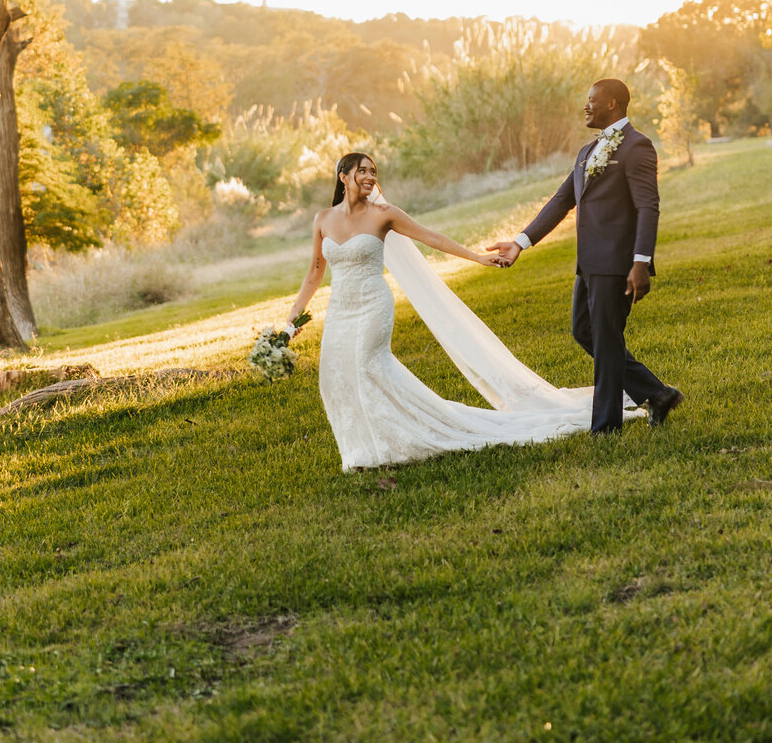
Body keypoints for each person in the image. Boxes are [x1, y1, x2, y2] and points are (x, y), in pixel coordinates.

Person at [285, 152, 608, 472]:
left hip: (372, 304)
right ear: (343, 176)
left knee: (367, 365)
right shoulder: (323, 219)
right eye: (363, 171)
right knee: (336, 375)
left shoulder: (384, 214)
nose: (370, 177)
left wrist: (476, 258)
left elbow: (432, 237)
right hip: (341, 310)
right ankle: (360, 450)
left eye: (374, 172)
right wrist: (291, 321)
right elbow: (314, 272)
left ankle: (393, 441)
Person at [489, 77, 683, 434]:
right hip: (588, 265)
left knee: (607, 342)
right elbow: (561, 201)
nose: (586, 106)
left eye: (592, 100)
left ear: (612, 104)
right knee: (584, 331)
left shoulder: (637, 147)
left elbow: (647, 207)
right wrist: (520, 242)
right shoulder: (586, 152)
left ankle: (606, 427)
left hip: (617, 263)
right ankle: (657, 393)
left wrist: (640, 262)